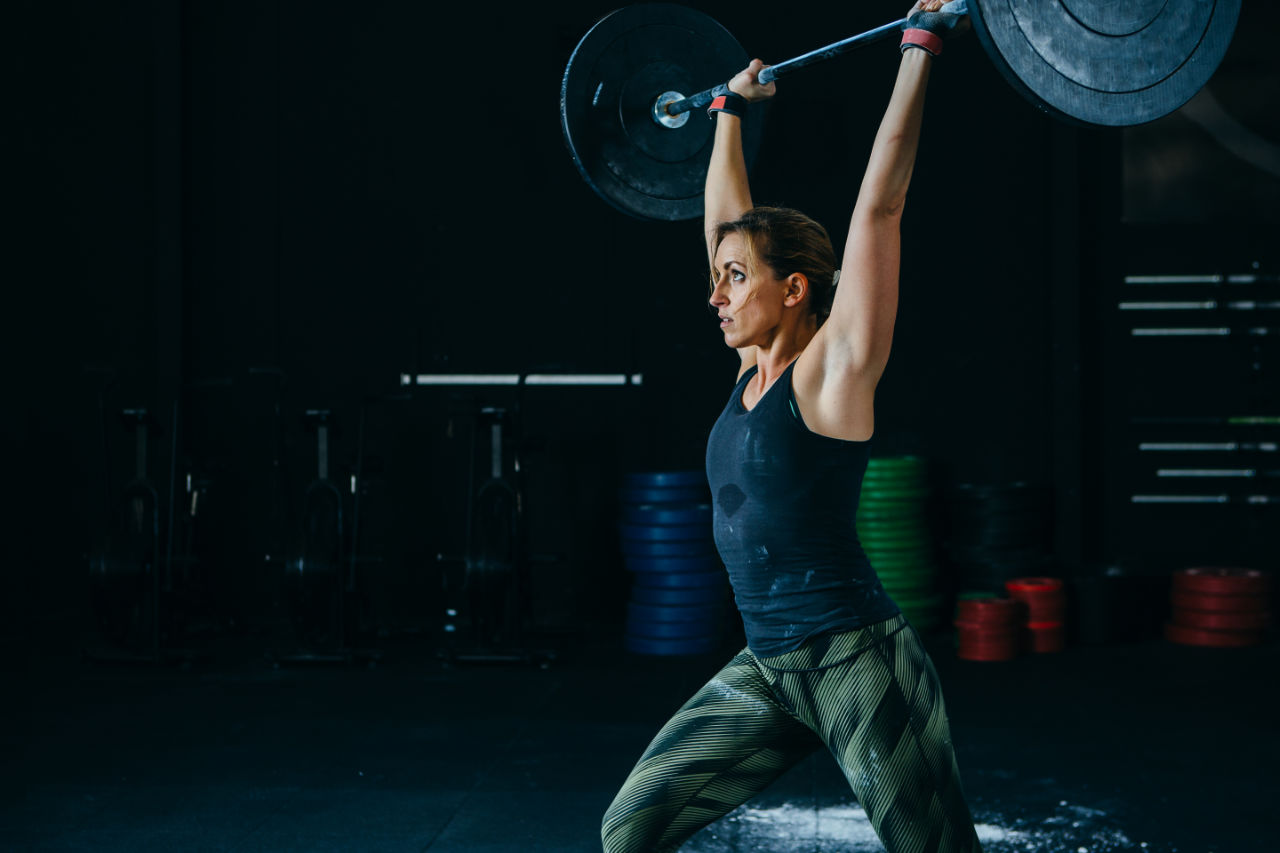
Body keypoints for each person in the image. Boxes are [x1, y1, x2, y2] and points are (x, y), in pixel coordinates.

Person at [601, 2, 984, 851]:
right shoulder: (748, 373)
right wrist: (726, 116)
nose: (716, 294)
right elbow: (721, 230)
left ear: (797, 288)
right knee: (630, 825)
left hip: (858, 666)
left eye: (737, 279)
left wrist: (917, 48)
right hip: (770, 669)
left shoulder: (835, 372)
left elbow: (880, 205)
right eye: (720, 278)